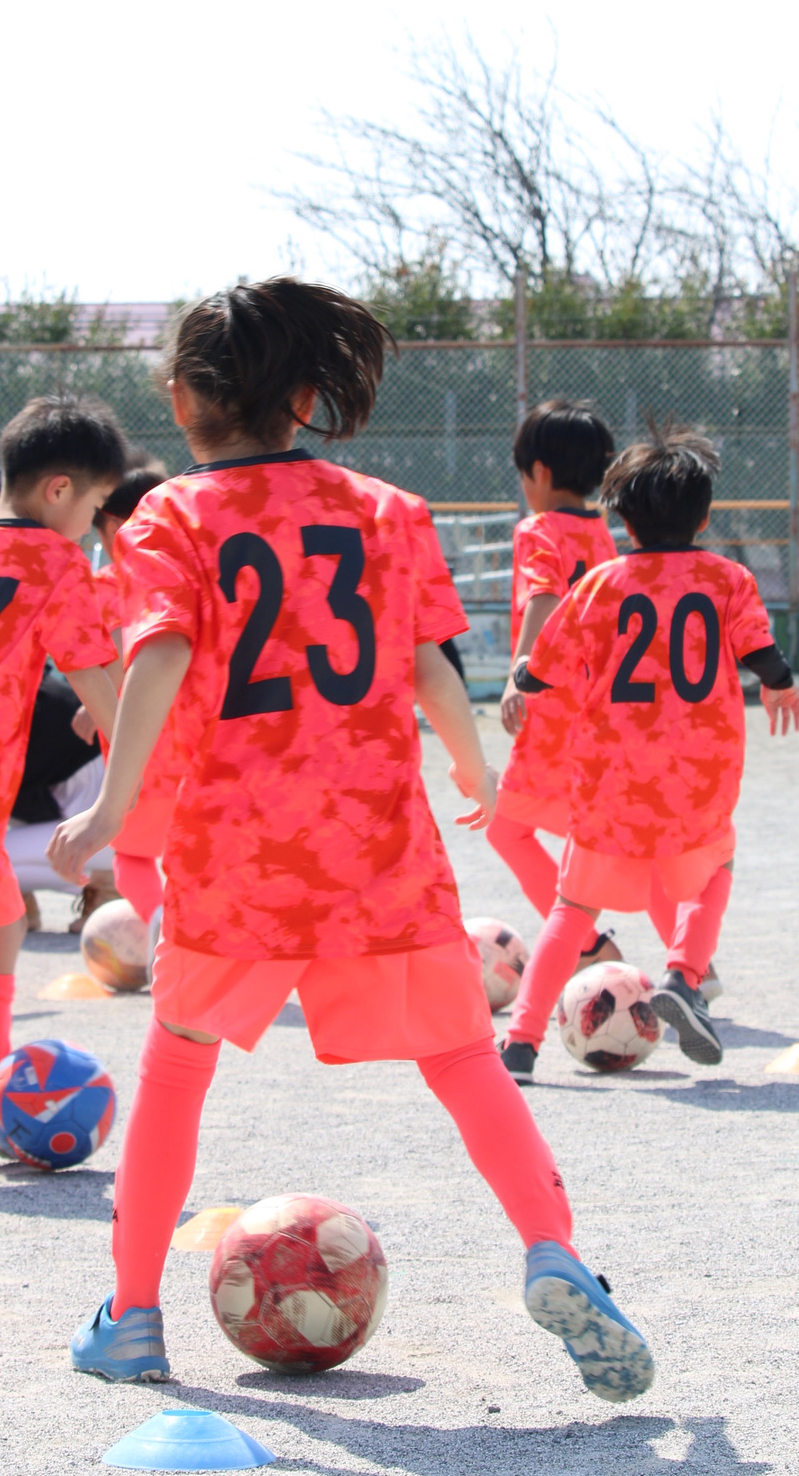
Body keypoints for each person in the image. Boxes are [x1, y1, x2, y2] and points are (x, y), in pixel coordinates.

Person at [48, 277, 653, 1402]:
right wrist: (475, 768)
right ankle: (556, 1252)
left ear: (182, 400)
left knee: (178, 1069)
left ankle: (132, 1319)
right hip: (378, 836)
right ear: (313, 396)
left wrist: (107, 804)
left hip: (241, 849)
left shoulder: (172, 517)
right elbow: (432, 664)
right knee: (468, 1062)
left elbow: (162, 656)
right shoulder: (388, 509)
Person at [498, 419, 799, 1084]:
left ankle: (520, 1043)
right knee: (713, 871)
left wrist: (519, 682)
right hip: (698, 776)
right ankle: (684, 978)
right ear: (703, 516)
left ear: (624, 521)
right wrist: (781, 685)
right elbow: (758, 648)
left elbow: (544, 666)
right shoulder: (728, 579)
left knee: (572, 910)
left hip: (610, 776)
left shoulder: (601, 584)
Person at [0, 394, 124, 1057]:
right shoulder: (55, 561)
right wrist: (143, 770)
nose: (89, 526)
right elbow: (96, 684)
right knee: (6, 923)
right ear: (59, 489)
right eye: (93, 505)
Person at [488, 401, 622, 971]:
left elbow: (542, 596)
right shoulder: (605, 537)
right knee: (619, 840)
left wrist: (521, 672)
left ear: (539, 472)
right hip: (603, 711)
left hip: (555, 709)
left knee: (507, 832)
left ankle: (588, 948)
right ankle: (693, 964)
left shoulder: (537, 530)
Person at [87, 467, 177, 937]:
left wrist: (93, 700)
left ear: (119, 524)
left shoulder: (107, 583)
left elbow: (132, 642)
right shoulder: (189, 572)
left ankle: (167, 931)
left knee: (131, 859)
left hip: (142, 751)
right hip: (196, 743)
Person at [9, 673, 116, 931]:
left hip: (111, 821)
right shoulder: (14, 670)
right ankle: (17, 903)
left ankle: (110, 883)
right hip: (104, 800)